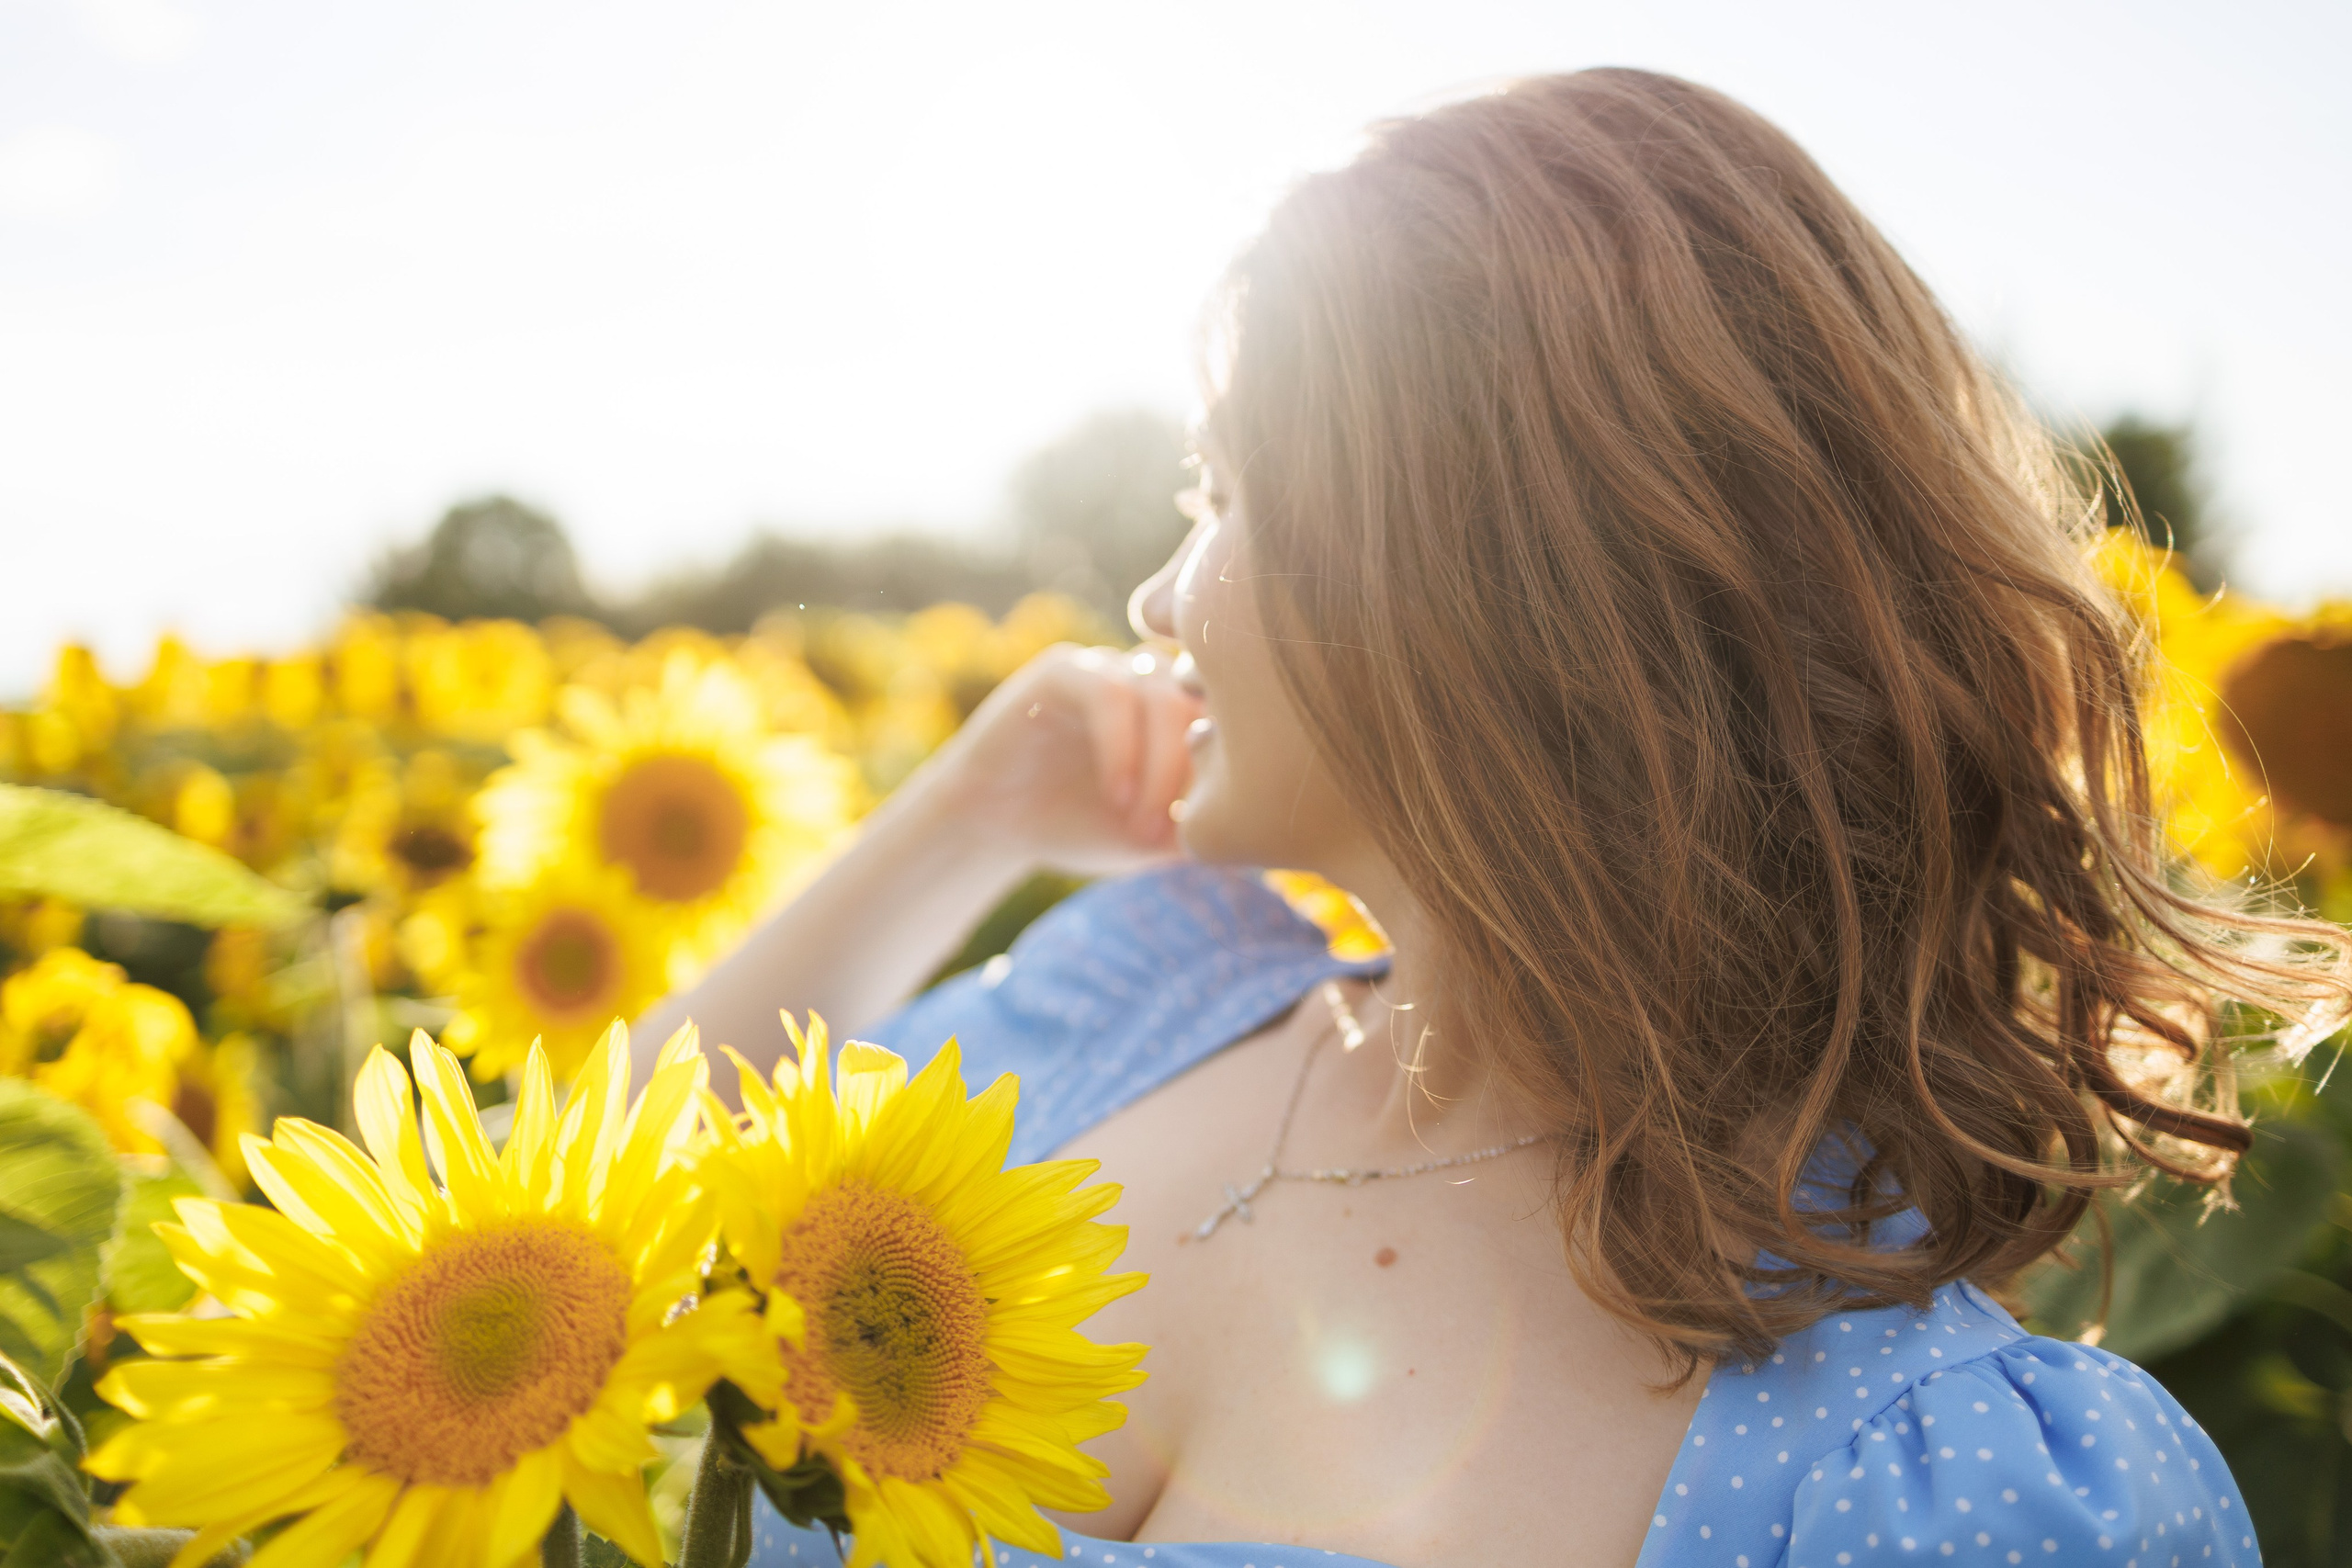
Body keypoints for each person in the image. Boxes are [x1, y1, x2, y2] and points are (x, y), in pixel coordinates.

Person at [645, 68, 2350, 1568]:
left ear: (1473, 566)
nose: (1156, 598)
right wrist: (965, 814)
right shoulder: (1151, 992)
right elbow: (597, 1229)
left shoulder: (1943, 1489)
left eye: (1229, 496)